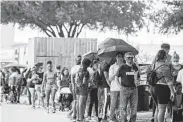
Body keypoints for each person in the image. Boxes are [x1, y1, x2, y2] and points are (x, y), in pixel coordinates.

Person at [150, 50, 175, 122]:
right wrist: (172, 92)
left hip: (153, 87)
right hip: (162, 88)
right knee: (162, 109)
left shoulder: (154, 64)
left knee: (157, 108)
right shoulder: (165, 66)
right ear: (164, 57)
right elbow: (169, 81)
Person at [116, 52, 140, 122]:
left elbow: (139, 74)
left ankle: (132, 120)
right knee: (123, 107)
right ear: (125, 58)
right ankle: (123, 120)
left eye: (131, 57)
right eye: (128, 58)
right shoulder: (122, 67)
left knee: (134, 108)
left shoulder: (135, 67)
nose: (130, 59)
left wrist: (137, 64)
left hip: (134, 89)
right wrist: (119, 86)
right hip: (124, 89)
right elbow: (116, 78)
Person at [109, 52, 124, 122]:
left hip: (123, 88)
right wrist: (117, 71)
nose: (120, 58)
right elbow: (110, 78)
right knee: (113, 104)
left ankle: (119, 117)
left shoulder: (125, 66)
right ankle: (112, 117)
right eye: (118, 56)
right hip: (114, 88)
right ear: (116, 58)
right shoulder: (112, 67)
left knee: (121, 105)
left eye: (121, 56)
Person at [70, 55, 82, 120]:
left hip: (81, 86)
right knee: (76, 101)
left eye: (80, 59)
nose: (79, 60)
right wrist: (73, 86)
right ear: (76, 60)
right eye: (77, 59)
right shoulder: (74, 68)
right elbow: (72, 78)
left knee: (79, 101)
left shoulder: (82, 67)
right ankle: (75, 114)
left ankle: (77, 114)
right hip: (75, 86)